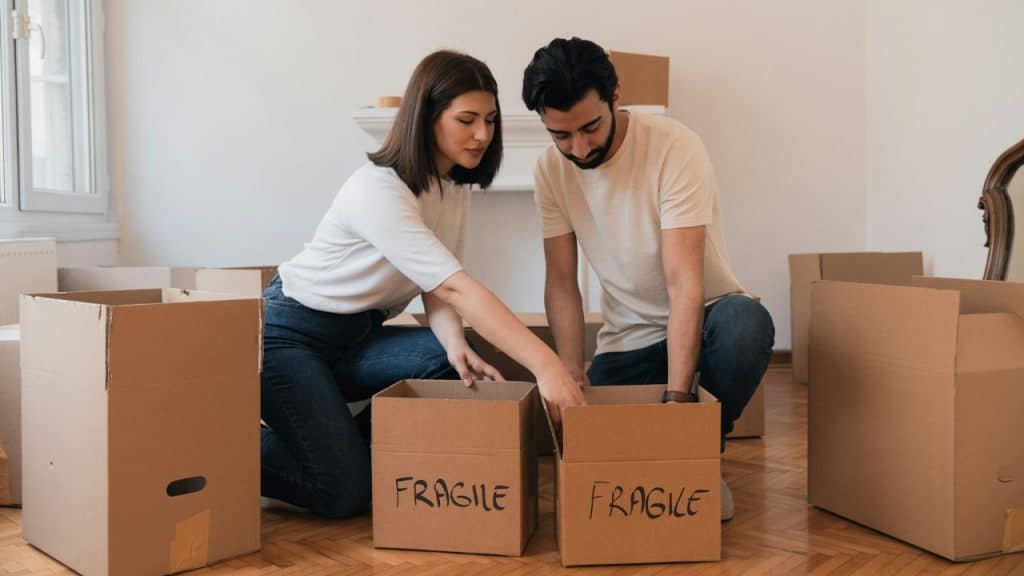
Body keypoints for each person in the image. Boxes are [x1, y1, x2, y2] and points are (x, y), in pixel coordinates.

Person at [261, 50, 584, 519]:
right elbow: (457, 288)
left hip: (354, 339)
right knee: (344, 493)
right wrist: (548, 366)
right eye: (467, 120)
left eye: (490, 120)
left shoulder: (451, 186)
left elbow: (434, 285)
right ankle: (241, 450)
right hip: (287, 338)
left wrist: (454, 343)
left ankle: (331, 445)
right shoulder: (379, 190)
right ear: (426, 117)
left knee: (458, 369)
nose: (483, 135)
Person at [522, 37, 775, 521]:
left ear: (616, 97)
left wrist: (679, 406)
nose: (579, 148)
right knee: (606, 450)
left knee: (748, 325)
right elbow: (561, 282)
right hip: (630, 340)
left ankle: (700, 455)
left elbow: (684, 283)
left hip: (708, 319)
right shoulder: (550, 170)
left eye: (590, 127)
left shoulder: (673, 147)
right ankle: (674, 445)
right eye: (561, 135)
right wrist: (571, 369)